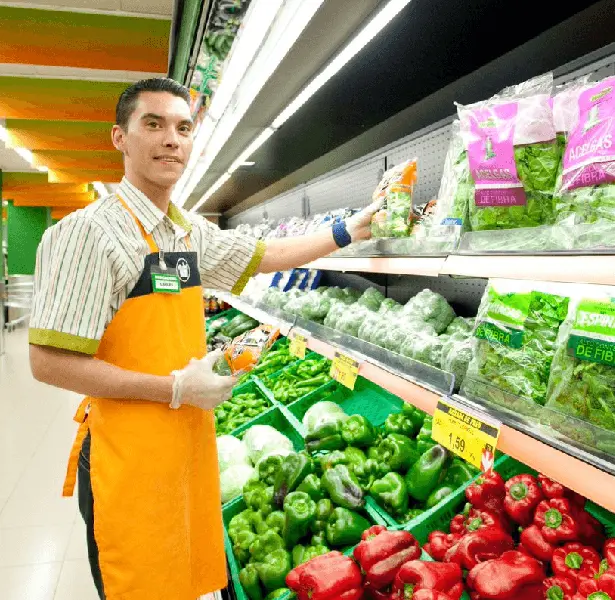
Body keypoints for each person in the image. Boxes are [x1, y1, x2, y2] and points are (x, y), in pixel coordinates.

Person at [28, 78, 377, 600]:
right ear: (119, 137)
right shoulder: (88, 233)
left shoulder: (186, 232)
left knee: (180, 582)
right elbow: (48, 362)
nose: (172, 139)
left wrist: (349, 231)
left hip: (183, 446)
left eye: (183, 128)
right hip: (126, 456)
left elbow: (263, 256)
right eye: (153, 124)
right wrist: (173, 388)